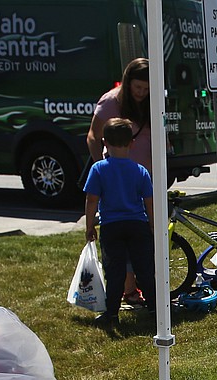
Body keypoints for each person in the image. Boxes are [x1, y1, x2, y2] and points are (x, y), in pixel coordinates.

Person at [87, 57, 152, 306]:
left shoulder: (150, 102)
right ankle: (129, 289)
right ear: (127, 83)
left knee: (140, 240)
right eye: (137, 88)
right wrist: (101, 168)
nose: (141, 93)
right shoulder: (110, 102)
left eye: (146, 89)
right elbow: (93, 135)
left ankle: (144, 286)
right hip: (117, 182)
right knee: (120, 246)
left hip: (143, 177)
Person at [83, 117, 155, 327]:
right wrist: (151, 224)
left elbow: (91, 200)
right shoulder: (140, 170)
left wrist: (89, 226)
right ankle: (154, 308)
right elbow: (148, 201)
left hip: (111, 226)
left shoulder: (98, 169)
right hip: (137, 224)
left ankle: (111, 313)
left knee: (114, 271)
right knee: (144, 268)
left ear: (104, 142)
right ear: (132, 143)